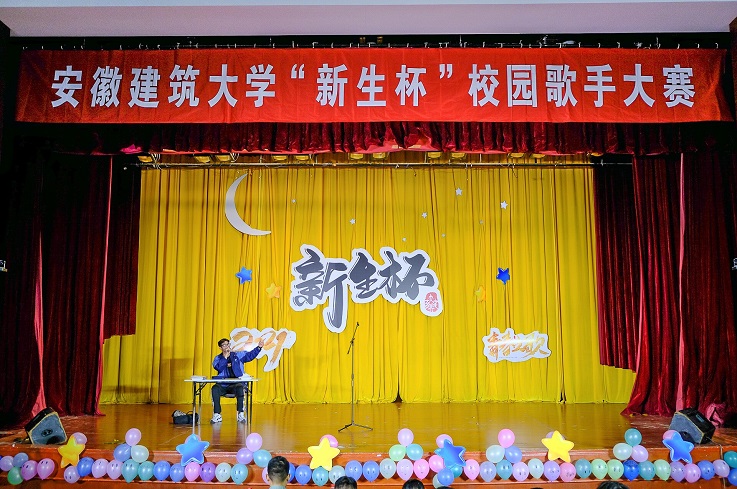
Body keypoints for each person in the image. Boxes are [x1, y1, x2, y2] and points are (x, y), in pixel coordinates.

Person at [211, 337, 264, 423]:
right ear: (220, 348)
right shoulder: (217, 358)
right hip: (223, 385)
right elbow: (218, 368)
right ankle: (217, 414)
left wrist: (259, 347)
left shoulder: (238, 355)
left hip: (235, 384)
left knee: (240, 388)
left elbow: (250, 355)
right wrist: (225, 357)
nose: (227, 346)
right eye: (224, 345)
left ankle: (241, 414)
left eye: (228, 344)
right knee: (215, 388)